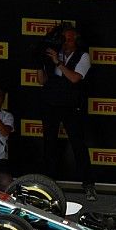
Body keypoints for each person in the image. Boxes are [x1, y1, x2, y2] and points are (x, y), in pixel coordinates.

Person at [37, 24, 96, 201]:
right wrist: (40, 63)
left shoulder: (83, 55)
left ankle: (88, 184)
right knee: (49, 144)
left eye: (70, 38)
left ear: (76, 39)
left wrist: (58, 62)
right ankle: (47, 186)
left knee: (78, 144)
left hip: (71, 106)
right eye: (64, 38)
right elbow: (42, 81)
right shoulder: (53, 53)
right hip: (50, 104)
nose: (67, 42)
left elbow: (75, 78)